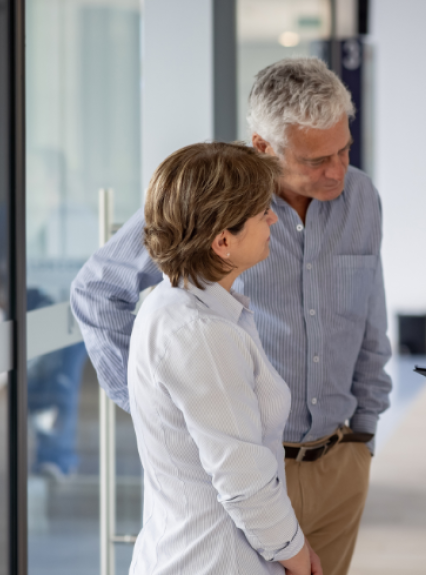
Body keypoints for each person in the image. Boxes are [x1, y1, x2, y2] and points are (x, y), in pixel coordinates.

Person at [70, 57, 391, 575]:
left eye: (344, 150)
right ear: (263, 146)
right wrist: (162, 410)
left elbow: (371, 317)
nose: (336, 171)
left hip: (338, 460)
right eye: (315, 160)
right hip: (243, 475)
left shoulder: (362, 198)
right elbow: (98, 292)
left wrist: (365, 437)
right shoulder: (212, 198)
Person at [128, 141, 320, 575]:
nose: (273, 217)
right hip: (214, 561)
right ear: (222, 242)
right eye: (261, 212)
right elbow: (244, 481)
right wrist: (296, 555)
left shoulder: (179, 305)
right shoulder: (202, 335)